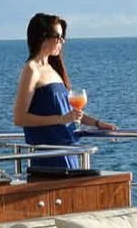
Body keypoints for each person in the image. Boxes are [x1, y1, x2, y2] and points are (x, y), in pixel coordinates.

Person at [13, 13, 117, 170]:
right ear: (43, 38)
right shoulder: (31, 70)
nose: (62, 41)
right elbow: (20, 118)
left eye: (63, 37)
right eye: (58, 37)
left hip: (67, 152)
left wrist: (97, 124)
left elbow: (68, 112)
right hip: (50, 157)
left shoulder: (52, 69)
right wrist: (61, 119)